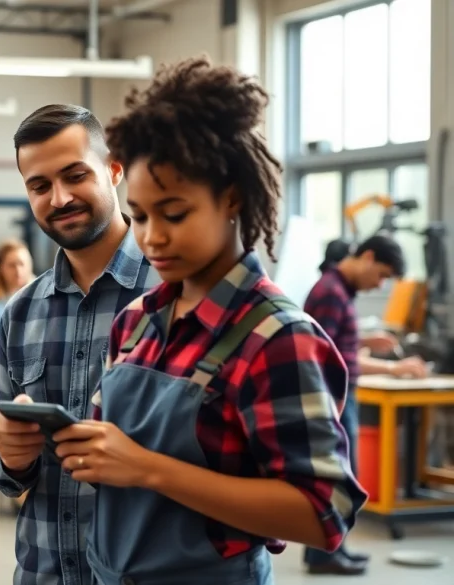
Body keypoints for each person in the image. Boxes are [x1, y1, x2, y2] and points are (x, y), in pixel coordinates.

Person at [50, 56, 368, 585]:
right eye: (140, 215)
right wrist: (61, 440)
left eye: (174, 214)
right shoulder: (134, 323)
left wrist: (150, 469)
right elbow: (113, 459)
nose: (152, 237)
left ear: (232, 198)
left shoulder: (278, 339)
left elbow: (324, 514)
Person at [0, 103, 159, 585]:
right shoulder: (21, 312)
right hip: (45, 572)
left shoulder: (172, 293)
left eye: (75, 176)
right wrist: (11, 456)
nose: (59, 198)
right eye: (39, 186)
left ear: (114, 171)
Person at [302, 233, 427, 575]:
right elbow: (322, 355)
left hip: (339, 397)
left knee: (342, 476)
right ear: (368, 257)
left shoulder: (339, 290)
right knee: (337, 477)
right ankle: (324, 555)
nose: (379, 284)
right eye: (381, 275)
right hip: (333, 399)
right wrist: (394, 369)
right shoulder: (331, 292)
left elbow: (335, 342)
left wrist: (364, 339)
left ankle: (332, 549)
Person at [0, 239, 34, 336]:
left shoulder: (41, 297)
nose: (18, 270)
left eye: (21, 264)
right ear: (0, 268)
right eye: (12, 265)